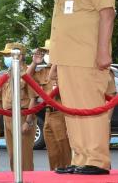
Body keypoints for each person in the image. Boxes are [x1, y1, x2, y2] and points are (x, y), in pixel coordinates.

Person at [35, 0, 116, 175]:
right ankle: (81, 157)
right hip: (66, 57)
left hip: (87, 56)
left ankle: (97, 160)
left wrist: (103, 52)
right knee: (73, 111)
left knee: (90, 109)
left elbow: (107, 15)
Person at [27, 40, 72, 171]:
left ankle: (68, 173)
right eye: (46, 52)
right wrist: (34, 63)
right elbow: (26, 78)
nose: (46, 54)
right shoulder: (44, 71)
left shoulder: (63, 69)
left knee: (63, 147)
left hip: (60, 112)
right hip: (47, 113)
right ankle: (55, 174)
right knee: (52, 151)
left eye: (49, 51)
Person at [0, 43, 37, 171]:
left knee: (23, 157)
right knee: (13, 156)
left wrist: (28, 122)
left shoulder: (27, 73)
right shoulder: (7, 73)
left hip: (22, 116)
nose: (6, 58)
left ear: (19, 56)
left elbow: (33, 98)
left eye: (9, 55)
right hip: (8, 117)